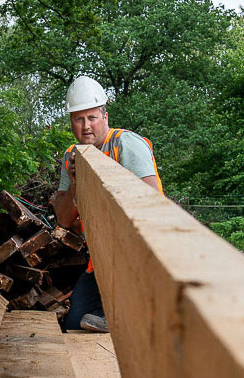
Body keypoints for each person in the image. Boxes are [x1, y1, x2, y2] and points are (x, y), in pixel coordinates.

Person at [52, 75, 163, 332]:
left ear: (105, 116)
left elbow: (151, 204)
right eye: (78, 119)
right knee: (74, 324)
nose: (86, 126)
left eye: (92, 117)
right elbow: (64, 219)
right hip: (102, 263)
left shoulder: (125, 144)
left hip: (138, 258)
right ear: (71, 122)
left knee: (127, 325)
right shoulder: (71, 156)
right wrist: (76, 184)